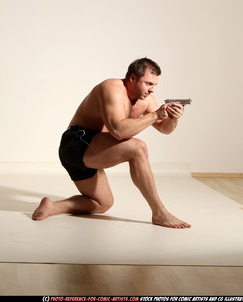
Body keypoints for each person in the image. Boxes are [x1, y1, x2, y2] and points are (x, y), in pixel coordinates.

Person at [32, 57, 191, 229]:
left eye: (154, 85)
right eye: (148, 84)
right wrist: (154, 115)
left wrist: (174, 118)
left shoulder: (146, 100)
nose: (152, 90)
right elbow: (118, 131)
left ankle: (52, 206)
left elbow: (164, 129)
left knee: (103, 203)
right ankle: (159, 213)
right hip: (76, 143)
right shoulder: (112, 88)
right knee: (138, 148)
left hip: (94, 150)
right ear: (132, 78)